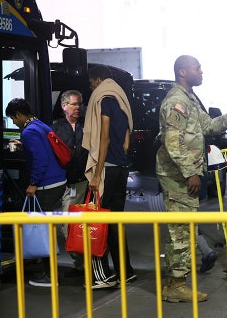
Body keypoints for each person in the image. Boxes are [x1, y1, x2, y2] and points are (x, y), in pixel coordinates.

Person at [156, 55, 227, 302]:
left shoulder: (190, 99)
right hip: (177, 176)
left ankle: (176, 283)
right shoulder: (176, 101)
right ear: (183, 72)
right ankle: (175, 285)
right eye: (197, 68)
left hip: (185, 175)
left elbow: (209, 127)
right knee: (179, 230)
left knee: (185, 228)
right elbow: (172, 143)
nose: (201, 71)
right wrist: (191, 172)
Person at [82, 65, 136, 289]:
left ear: (97, 79)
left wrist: (96, 174)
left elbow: (103, 139)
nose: (92, 87)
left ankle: (102, 276)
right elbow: (125, 139)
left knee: (96, 222)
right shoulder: (121, 97)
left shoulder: (103, 98)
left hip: (106, 169)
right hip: (121, 168)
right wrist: (121, 152)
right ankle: (126, 271)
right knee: (115, 222)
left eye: (92, 82)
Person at [5, 98, 67, 287]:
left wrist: (33, 183)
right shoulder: (40, 125)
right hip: (58, 180)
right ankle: (50, 271)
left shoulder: (29, 131)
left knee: (44, 230)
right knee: (48, 228)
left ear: (19, 115)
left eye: (13, 119)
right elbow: (45, 150)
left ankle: (50, 276)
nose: (14, 123)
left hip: (47, 184)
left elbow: (40, 160)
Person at [52, 90, 88, 277]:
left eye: (79, 104)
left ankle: (83, 264)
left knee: (79, 225)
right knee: (68, 226)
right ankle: (80, 263)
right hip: (63, 182)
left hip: (83, 182)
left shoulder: (86, 126)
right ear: (64, 105)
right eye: (74, 104)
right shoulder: (56, 127)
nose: (78, 108)